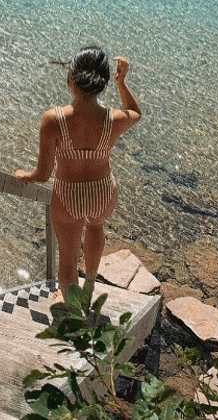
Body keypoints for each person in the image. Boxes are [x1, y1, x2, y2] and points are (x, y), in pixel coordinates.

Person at [14, 46, 141, 302]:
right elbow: (136, 113)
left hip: (68, 195)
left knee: (68, 260)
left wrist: (23, 174)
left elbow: (42, 174)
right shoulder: (113, 119)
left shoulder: (54, 119)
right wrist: (122, 83)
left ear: (71, 80)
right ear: (103, 83)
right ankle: (91, 285)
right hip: (103, 192)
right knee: (96, 226)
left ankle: (73, 310)